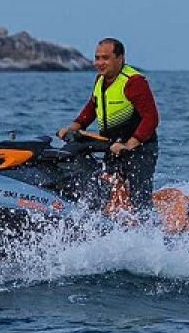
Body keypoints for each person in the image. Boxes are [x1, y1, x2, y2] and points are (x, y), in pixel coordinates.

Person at [57, 38, 159, 207]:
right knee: (105, 191)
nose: (99, 63)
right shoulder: (100, 80)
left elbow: (151, 118)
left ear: (120, 58)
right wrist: (73, 127)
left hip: (140, 150)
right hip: (111, 147)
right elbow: (92, 107)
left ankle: (150, 228)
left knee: (139, 200)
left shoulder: (134, 81)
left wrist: (130, 144)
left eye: (105, 58)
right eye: (97, 58)